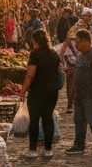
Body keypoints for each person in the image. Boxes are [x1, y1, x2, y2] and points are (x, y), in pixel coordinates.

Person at [19, 29, 62, 158]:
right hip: (52, 91)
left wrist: (23, 91)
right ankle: (48, 149)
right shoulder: (54, 53)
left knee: (34, 120)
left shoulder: (35, 54)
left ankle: (33, 150)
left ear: (35, 41)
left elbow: (30, 75)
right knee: (48, 118)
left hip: (38, 91)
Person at [66, 28, 92, 156]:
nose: (76, 45)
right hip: (79, 95)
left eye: (78, 42)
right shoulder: (81, 55)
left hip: (90, 95)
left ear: (87, 42)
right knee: (79, 121)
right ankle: (79, 144)